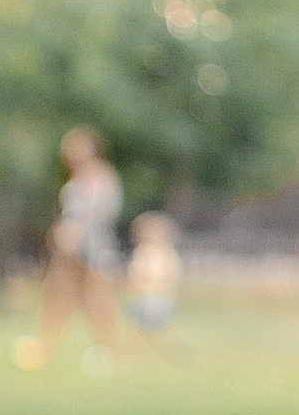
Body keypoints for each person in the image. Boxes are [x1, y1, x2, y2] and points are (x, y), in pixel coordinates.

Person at [19, 127, 124, 365]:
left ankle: (107, 349)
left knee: (98, 297)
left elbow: (100, 211)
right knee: (58, 293)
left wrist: (76, 232)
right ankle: (45, 346)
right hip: (69, 247)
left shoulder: (101, 175)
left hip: (93, 244)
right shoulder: (74, 177)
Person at [126, 207, 181, 338]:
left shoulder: (164, 254)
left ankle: (172, 348)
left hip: (156, 296)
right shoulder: (141, 252)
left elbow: (170, 274)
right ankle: (132, 351)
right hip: (141, 295)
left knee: (158, 327)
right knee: (137, 326)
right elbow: (135, 272)